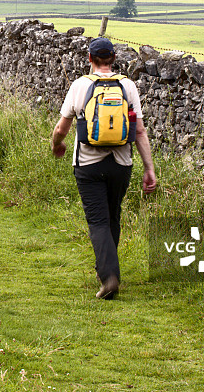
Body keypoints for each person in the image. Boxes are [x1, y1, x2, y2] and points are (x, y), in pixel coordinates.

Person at [51, 37, 157, 299]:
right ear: (113, 59)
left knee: (97, 220)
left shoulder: (79, 85)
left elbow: (61, 128)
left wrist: (56, 145)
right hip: (122, 164)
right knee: (112, 216)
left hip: (87, 164)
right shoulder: (127, 86)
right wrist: (149, 169)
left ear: (90, 59)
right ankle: (107, 271)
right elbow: (140, 131)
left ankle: (109, 277)